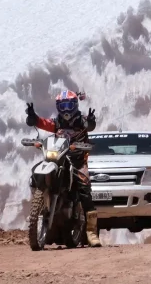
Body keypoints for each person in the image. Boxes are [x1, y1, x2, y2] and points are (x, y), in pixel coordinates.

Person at [25, 89, 102, 248]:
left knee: (84, 188)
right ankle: (42, 201)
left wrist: (91, 122)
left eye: (69, 105)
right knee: (37, 172)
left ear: (75, 105)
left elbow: (90, 125)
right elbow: (44, 123)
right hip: (59, 158)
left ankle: (92, 232)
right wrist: (33, 118)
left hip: (78, 161)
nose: (66, 109)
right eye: (63, 105)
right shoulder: (57, 122)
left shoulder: (81, 121)